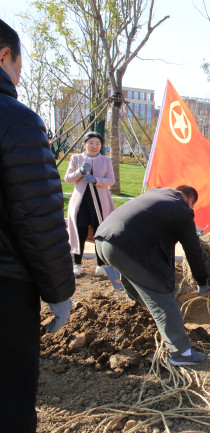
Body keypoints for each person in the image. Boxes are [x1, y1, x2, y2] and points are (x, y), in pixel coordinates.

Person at [0, 19, 75, 432]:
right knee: (9, 402)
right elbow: (38, 217)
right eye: (19, 67)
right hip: (7, 290)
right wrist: (59, 293)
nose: (19, 77)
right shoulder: (17, 120)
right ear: (4, 55)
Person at [95, 185, 210, 366]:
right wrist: (202, 281)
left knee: (133, 279)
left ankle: (138, 318)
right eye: (192, 206)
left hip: (103, 239)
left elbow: (163, 245)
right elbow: (193, 250)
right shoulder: (182, 210)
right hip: (127, 246)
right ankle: (181, 353)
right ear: (189, 201)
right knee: (162, 295)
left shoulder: (158, 193)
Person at [64, 131, 116, 276]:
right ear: (84, 145)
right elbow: (68, 179)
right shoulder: (76, 158)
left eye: (98, 143)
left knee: (99, 232)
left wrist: (96, 180)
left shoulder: (106, 161)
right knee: (80, 231)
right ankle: (77, 263)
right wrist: (81, 171)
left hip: (100, 202)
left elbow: (111, 180)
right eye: (91, 143)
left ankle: (100, 264)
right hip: (81, 202)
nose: (94, 146)